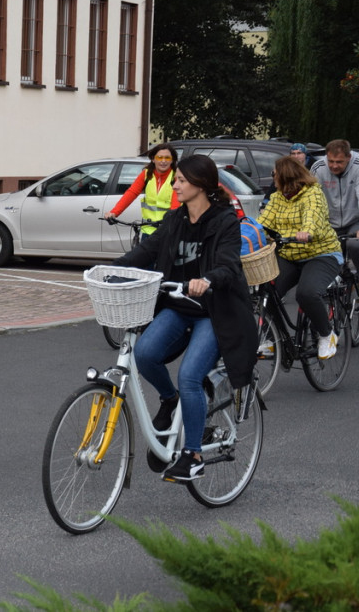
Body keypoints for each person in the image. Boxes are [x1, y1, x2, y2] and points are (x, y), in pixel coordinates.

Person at [114, 154, 258, 483]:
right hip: (178, 306)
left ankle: (192, 455)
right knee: (145, 354)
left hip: (213, 311)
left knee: (190, 376)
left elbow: (228, 263)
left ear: (201, 185)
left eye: (180, 180)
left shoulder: (224, 221)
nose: (174, 184)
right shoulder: (175, 218)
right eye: (175, 179)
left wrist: (208, 279)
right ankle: (169, 401)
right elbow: (148, 249)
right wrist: (113, 268)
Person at [260, 157, 343, 358]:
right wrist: (247, 234)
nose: (273, 178)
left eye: (274, 174)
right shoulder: (278, 197)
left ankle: (326, 334)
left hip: (320, 254)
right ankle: (273, 340)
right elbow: (263, 222)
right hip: (289, 255)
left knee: (307, 293)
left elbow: (313, 215)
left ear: (285, 176)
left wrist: (306, 231)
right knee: (267, 293)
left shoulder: (313, 193)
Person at [310, 139, 359, 302]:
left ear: (348, 157)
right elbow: (311, 199)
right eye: (331, 161)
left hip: (355, 220)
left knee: (355, 245)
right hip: (330, 221)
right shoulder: (318, 168)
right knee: (326, 253)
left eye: (339, 162)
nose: (334, 166)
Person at [106, 142, 179, 235]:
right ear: (153, 159)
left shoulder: (176, 177)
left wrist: (170, 220)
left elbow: (176, 203)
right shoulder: (146, 174)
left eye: (167, 158)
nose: (163, 161)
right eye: (159, 157)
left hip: (168, 231)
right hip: (148, 230)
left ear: (172, 160)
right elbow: (131, 193)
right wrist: (114, 213)